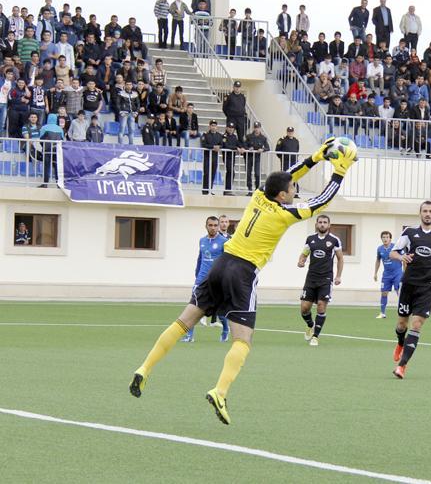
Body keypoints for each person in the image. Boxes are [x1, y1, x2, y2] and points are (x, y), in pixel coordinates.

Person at [129, 138, 355, 424]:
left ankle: (144, 368)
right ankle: (220, 391)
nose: (295, 189)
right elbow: (321, 201)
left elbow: (286, 175)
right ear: (282, 196)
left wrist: (316, 157)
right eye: (292, 189)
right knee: (243, 340)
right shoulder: (284, 214)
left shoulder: (259, 195)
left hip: (221, 265)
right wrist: (340, 171)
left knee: (183, 322)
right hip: (243, 273)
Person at [389, 201, 431, 379]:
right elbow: (393, 252)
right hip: (409, 284)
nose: (428, 214)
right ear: (420, 213)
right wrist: (402, 257)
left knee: (416, 324)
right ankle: (400, 343)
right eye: (425, 211)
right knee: (402, 325)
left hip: (428, 286)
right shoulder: (409, 233)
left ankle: (402, 366)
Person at [297, 214, 343, 347]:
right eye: (320, 222)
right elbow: (304, 253)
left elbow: (340, 258)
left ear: (329, 225)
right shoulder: (310, 239)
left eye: (325, 222)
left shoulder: (334, 240)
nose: (322, 224)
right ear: (316, 224)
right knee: (304, 308)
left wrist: (338, 276)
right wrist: (301, 261)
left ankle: (315, 336)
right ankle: (310, 325)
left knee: (321, 305)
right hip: (311, 278)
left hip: (326, 278)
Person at [181, 217, 230, 343]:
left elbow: (227, 262)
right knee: (193, 306)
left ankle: (225, 329)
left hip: (216, 279)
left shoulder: (224, 242)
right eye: (210, 225)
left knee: (219, 310)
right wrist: (197, 273)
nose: (213, 228)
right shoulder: (202, 240)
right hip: (201, 279)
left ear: (218, 227)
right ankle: (189, 336)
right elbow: (200, 257)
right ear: (206, 226)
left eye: (215, 225)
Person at [374, 231, 403, 319]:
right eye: (383, 237)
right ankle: (382, 313)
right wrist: (375, 273)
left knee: (399, 292)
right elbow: (378, 260)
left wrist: (405, 272)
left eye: (387, 237)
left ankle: (402, 313)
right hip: (386, 274)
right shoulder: (380, 249)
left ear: (390, 239)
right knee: (384, 292)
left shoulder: (396, 247)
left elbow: (404, 258)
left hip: (397, 273)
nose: (385, 239)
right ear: (381, 238)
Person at [243, 121, 270, 192]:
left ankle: (257, 188)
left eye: (258, 128)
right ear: (253, 128)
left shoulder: (263, 138)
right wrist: (248, 148)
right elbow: (244, 145)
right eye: (255, 127)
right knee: (248, 173)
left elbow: (268, 148)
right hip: (249, 157)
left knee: (257, 174)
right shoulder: (249, 136)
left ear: (260, 128)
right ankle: (249, 189)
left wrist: (262, 149)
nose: (256, 129)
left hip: (257, 158)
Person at [201, 120, 223, 195]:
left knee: (213, 173)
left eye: (215, 126)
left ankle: (210, 189)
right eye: (212, 125)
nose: (213, 127)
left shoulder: (219, 135)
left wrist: (219, 147)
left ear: (217, 127)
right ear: (209, 126)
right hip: (207, 157)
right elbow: (204, 144)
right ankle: (205, 190)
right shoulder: (206, 135)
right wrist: (213, 147)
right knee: (206, 173)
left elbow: (222, 144)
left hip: (215, 157)